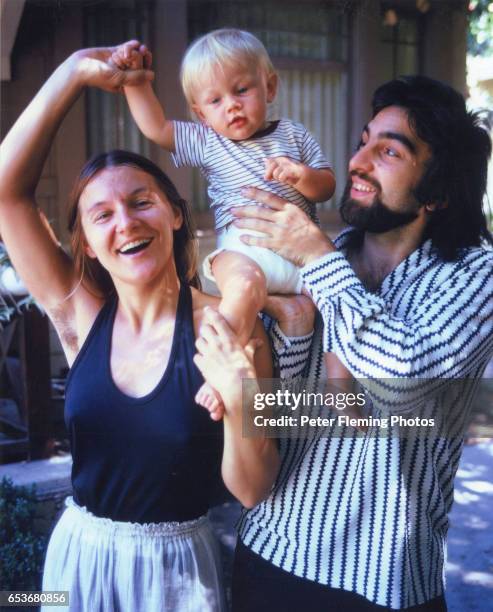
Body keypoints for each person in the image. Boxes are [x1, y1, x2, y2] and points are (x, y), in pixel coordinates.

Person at [0, 46, 281, 612]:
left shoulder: (229, 325)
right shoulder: (81, 313)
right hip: (75, 559)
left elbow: (254, 489)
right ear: (88, 243)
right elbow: (7, 192)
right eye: (102, 214)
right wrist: (75, 71)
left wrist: (241, 396)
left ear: (176, 213)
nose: (125, 222)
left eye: (140, 202)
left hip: (175, 578)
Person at [230, 76, 493, 610]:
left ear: (438, 192)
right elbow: (279, 412)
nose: (357, 161)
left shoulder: (475, 274)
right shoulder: (316, 259)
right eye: (363, 142)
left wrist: (319, 263)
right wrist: (298, 326)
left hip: (383, 580)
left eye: (389, 150)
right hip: (269, 555)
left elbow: (402, 382)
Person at [111, 29, 352, 413]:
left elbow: (326, 186)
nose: (232, 106)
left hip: (301, 254)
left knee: (336, 307)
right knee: (243, 289)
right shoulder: (209, 141)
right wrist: (136, 82)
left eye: (242, 90)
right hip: (244, 249)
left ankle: (336, 389)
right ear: (200, 112)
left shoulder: (294, 135)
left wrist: (300, 175)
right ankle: (219, 369)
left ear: (269, 87)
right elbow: (156, 128)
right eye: (215, 100)